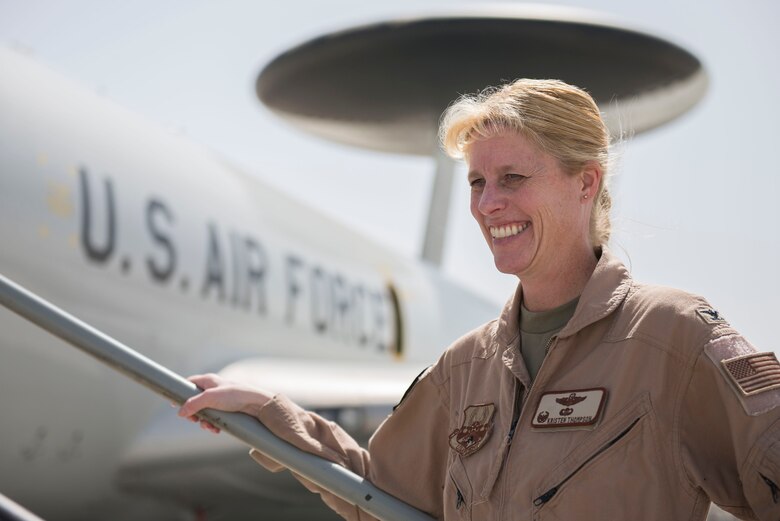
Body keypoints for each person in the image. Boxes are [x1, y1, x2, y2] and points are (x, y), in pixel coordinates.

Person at [179, 79, 780, 520]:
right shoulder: (465, 369)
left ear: (585, 182)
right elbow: (377, 494)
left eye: (513, 178)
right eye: (476, 182)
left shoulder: (673, 337)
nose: (488, 203)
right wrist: (272, 417)